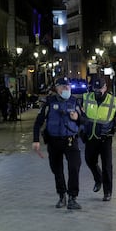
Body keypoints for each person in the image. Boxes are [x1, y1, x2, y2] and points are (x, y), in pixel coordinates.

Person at [32, 76, 82, 210]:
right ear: (57, 88)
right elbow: (38, 122)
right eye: (63, 86)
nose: (66, 88)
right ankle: (62, 195)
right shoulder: (49, 103)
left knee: (74, 167)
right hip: (54, 141)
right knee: (57, 169)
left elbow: (84, 120)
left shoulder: (75, 102)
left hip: (71, 140)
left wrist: (78, 118)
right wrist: (36, 140)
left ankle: (73, 197)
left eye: (68, 86)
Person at [81, 76, 116, 201]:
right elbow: (80, 116)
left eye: (100, 88)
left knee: (107, 166)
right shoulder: (86, 98)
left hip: (105, 138)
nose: (98, 91)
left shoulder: (114, 102)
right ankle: (98, 179)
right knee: (89, 160)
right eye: (95, 88)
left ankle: (107, 192)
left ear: (105, 88)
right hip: (90, 137)